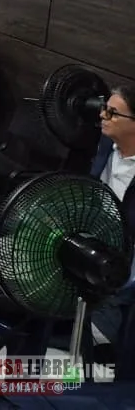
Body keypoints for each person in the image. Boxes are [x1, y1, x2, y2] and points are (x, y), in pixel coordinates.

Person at [90, 87, 135, 350]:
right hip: (97, 239)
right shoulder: (105, 145)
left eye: (113, 113)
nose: (102, 115)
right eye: (104, 108)